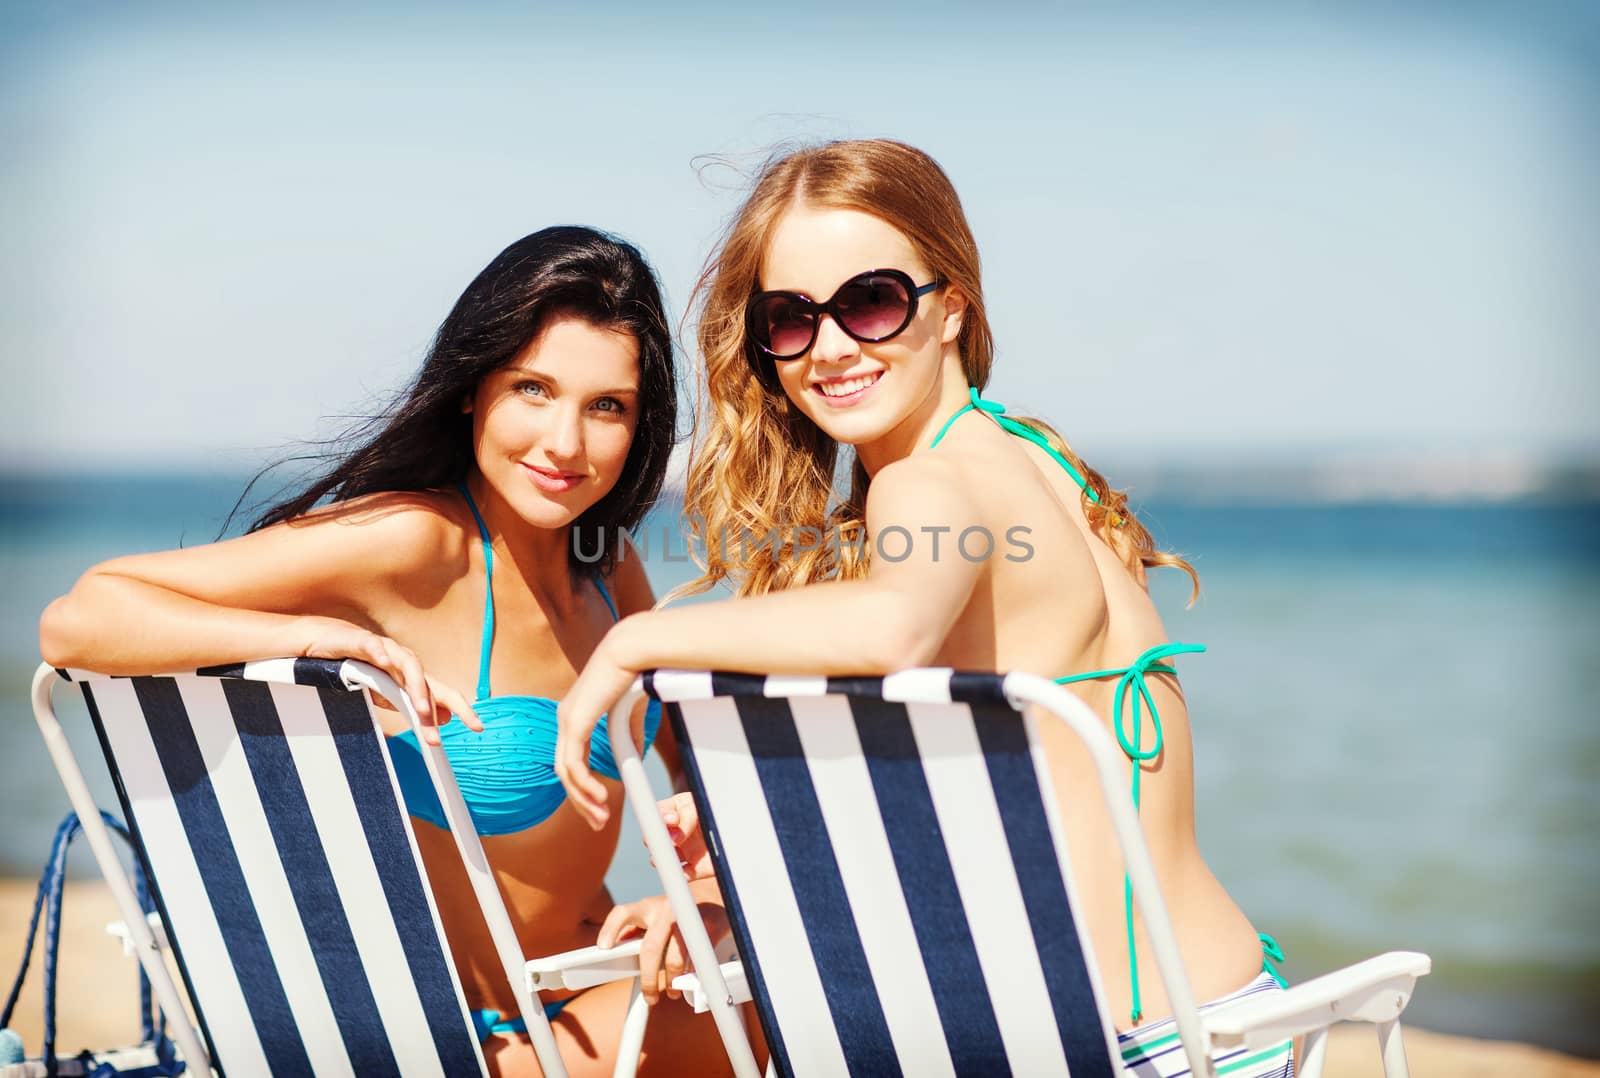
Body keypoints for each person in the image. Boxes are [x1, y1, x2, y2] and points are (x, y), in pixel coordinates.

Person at [554, 141, 1295, 1076]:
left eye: (871, 301)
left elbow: (892, 627)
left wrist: (637, 639)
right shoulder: (1037, 459)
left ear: (953, 309)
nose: (830, 347)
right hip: (1234, 1020)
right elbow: (1027, 794)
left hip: (1112, 1050)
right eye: (790, 317)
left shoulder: (927, 484)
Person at [40, 226, 735, 1078]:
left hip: (594, 988)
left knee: (776, 972)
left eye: (606, 406)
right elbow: (82, 618)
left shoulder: (608, 566)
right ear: (474, 390)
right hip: (472, 1041)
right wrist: (313, 639)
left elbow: (699, 772)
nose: (564, 443)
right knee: (774, 1005)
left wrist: (699, 892)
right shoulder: (416, 542)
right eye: (533, 389)